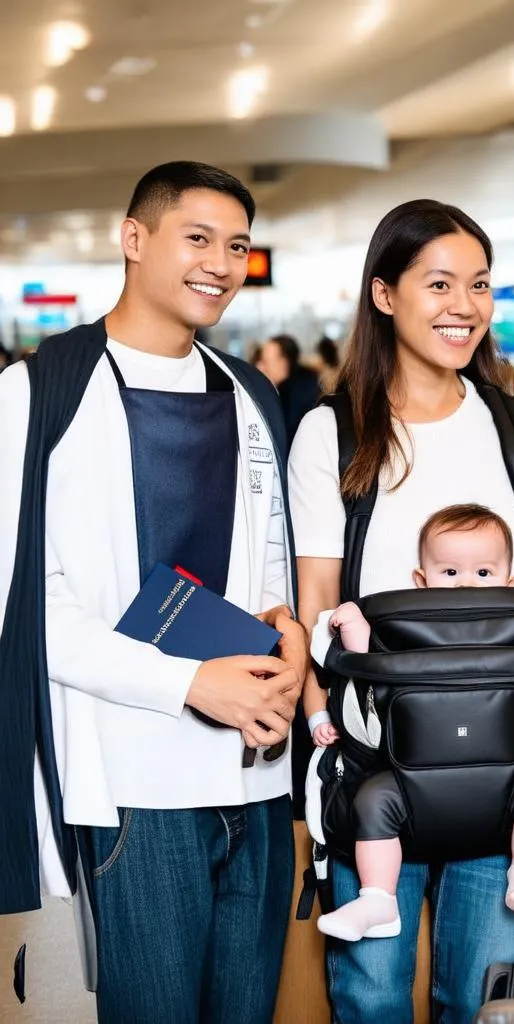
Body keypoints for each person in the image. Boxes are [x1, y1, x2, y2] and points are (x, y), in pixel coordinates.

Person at [0, 162, 307, 1022]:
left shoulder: (250, 394)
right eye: (198, 238)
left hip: (254, 780)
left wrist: (289, 635)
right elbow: (28, 611)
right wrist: (188, 683)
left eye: (238, 246)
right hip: (137, 790)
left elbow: (268, 573)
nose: (220, 263)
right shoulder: (38, 394)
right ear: (133, 240)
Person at [287, 198, 514, 1024]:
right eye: (440, 284)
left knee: (485, 993)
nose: (465, 307)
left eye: (480, 286)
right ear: (384, 294)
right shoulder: (334, 433)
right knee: (372, 993)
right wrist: (321, 728)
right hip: (379, 755)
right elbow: (318, 595)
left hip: (509, 753)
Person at [306, 503, 514, 942]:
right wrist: (353, 624)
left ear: (511, 583)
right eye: (449, 572)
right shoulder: (404, 626)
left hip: (510, 782)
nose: (465, 585)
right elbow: (366, 661)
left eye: (483, 573)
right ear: (421, 580)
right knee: (372, 799)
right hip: (402, 779)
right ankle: (378, 898)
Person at [256, 332, 321, 448]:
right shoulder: (303, 384)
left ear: (284, 363)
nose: (259, 367)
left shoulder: (299, 395)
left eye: (265, 362)